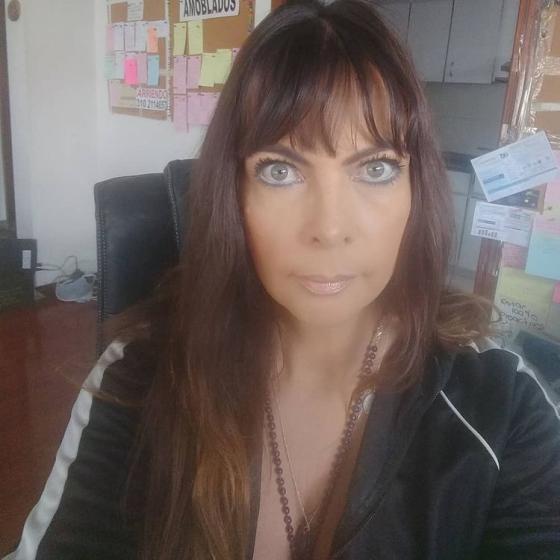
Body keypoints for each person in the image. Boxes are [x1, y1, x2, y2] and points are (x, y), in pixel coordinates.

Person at [7, 0, 560, 559]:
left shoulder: (502, 407)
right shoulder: (140, 377)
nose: (330, 228)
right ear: (233, 195)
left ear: (418, 193)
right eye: (280, 170)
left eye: (376, 168)